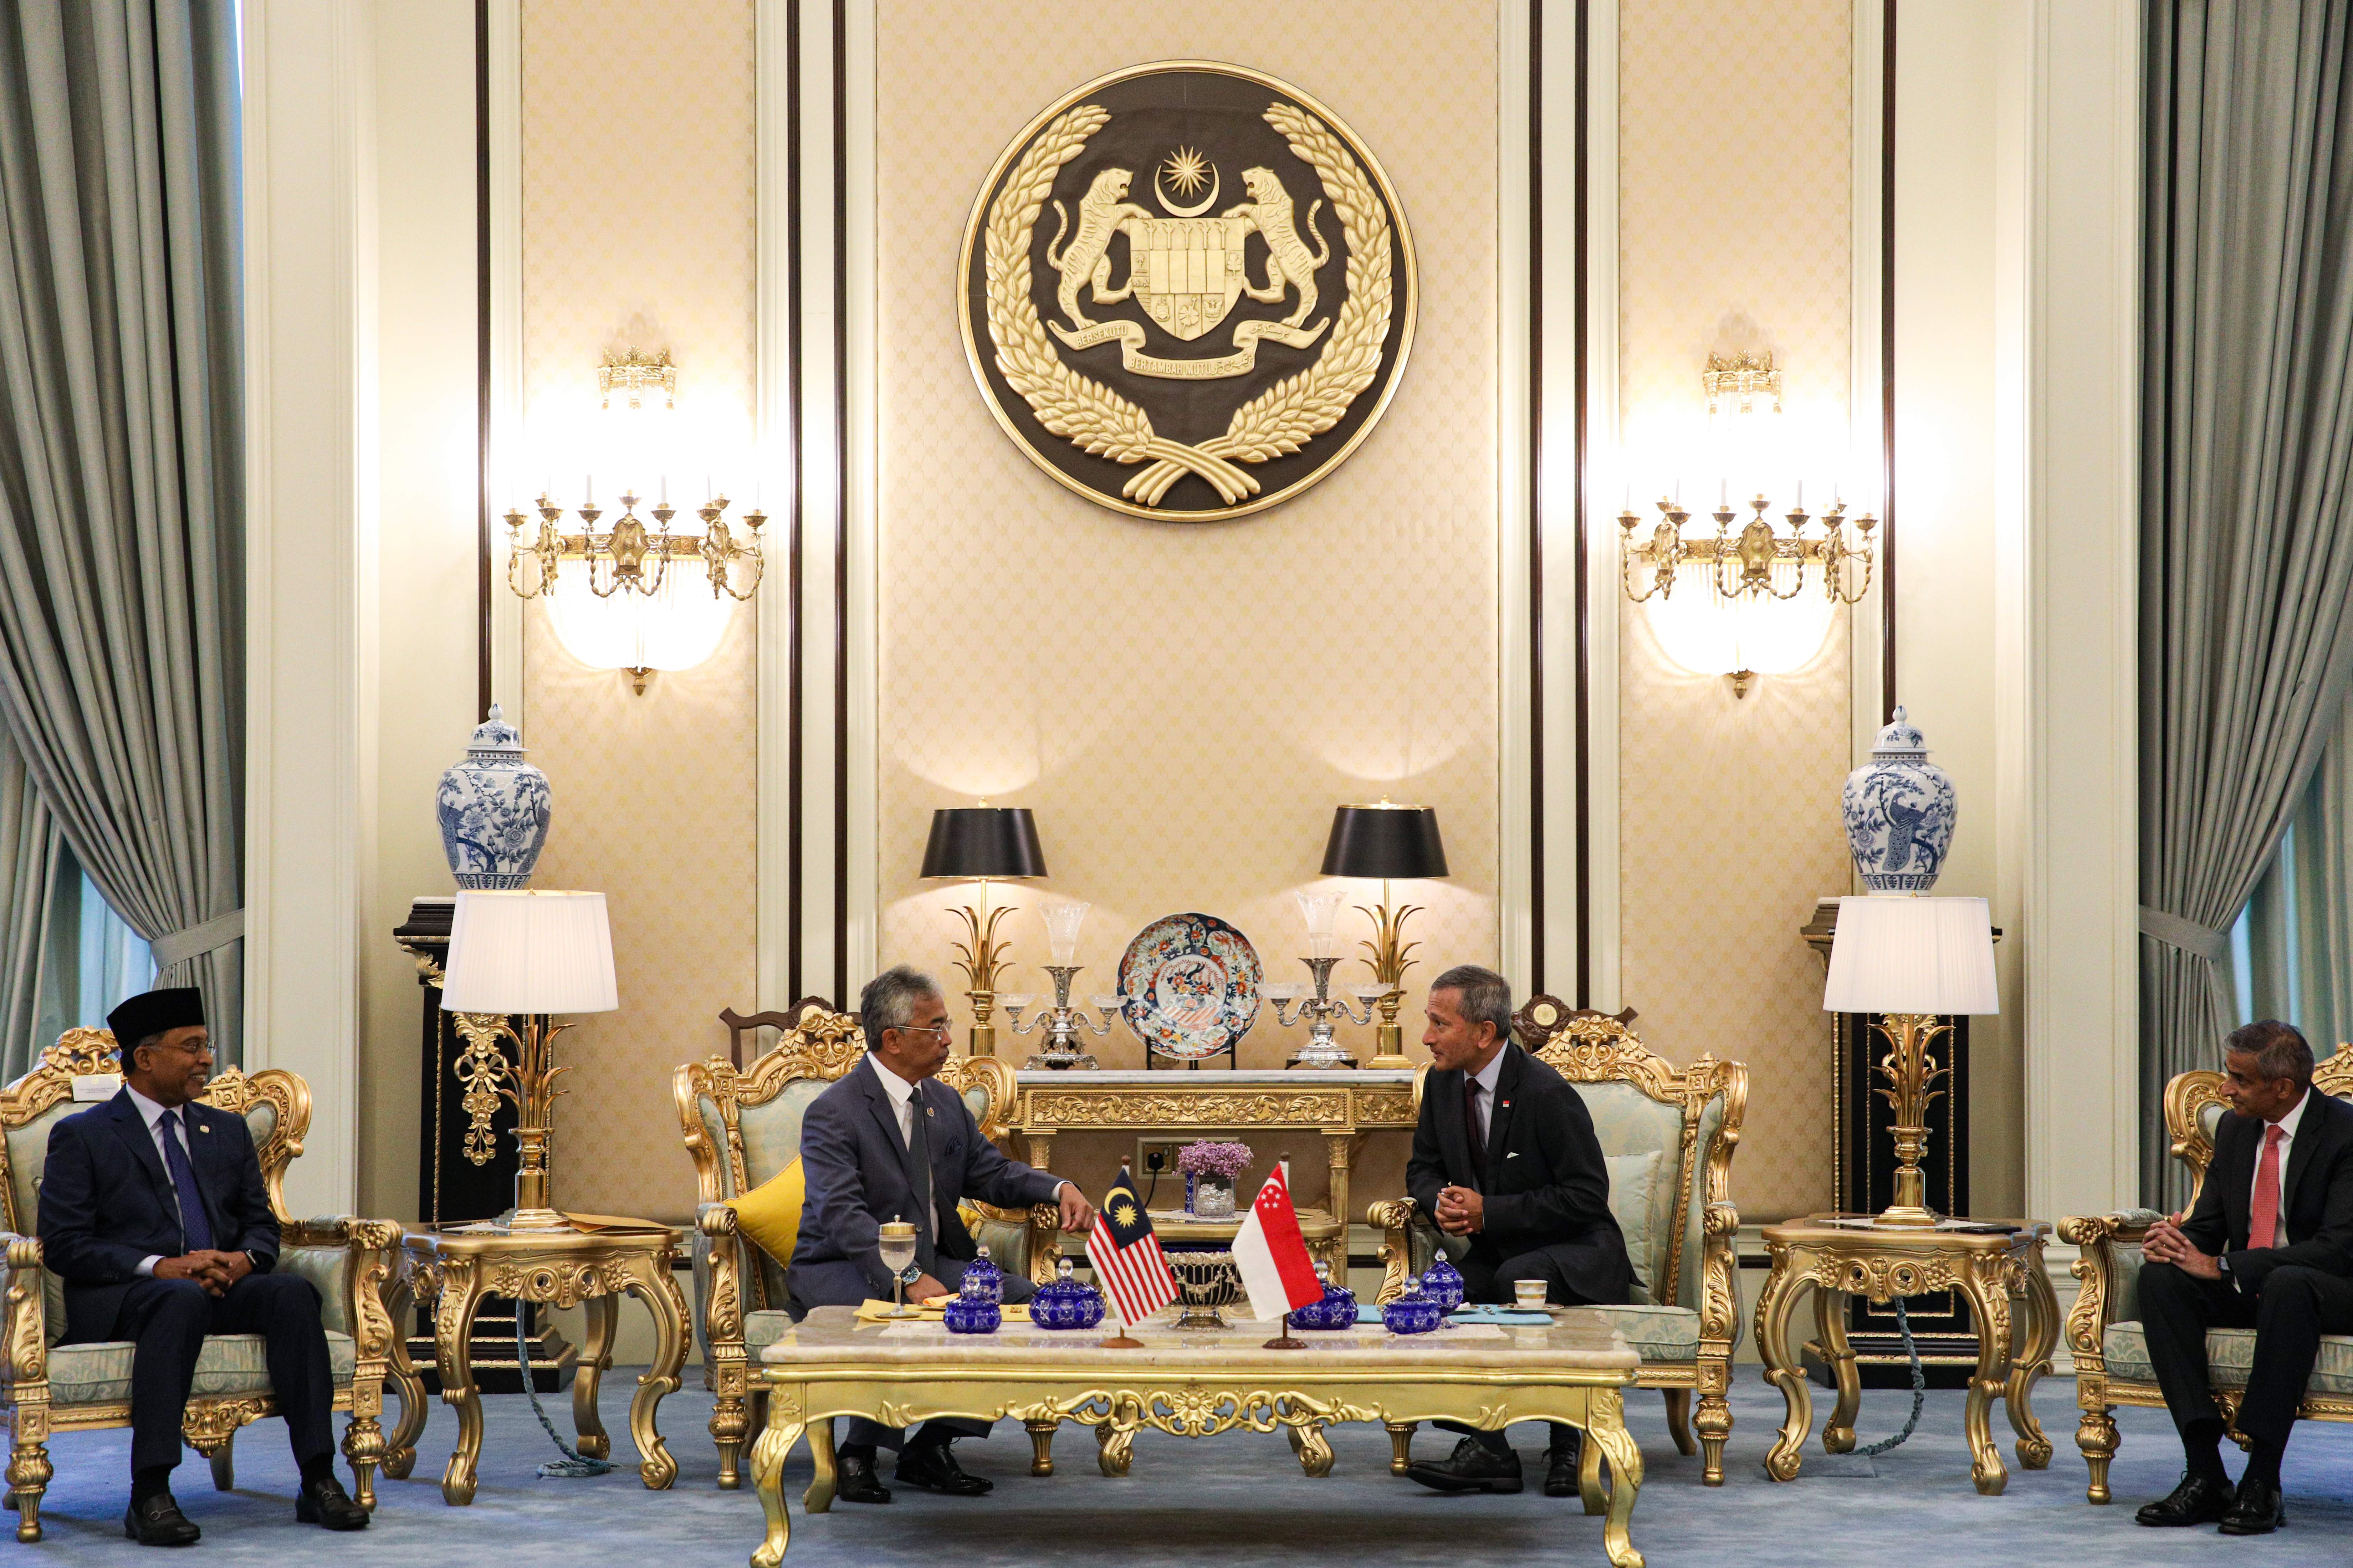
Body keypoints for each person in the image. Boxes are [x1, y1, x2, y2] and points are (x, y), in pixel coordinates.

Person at [39, 987, 368, 1546]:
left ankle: (318, 1479)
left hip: (218, 1285)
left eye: (206, 1045)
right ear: (145, 1058)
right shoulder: (85, 1135)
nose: (206, 1059)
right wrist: (160, 1266)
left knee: (291, 1293)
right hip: (127, 1296)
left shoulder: (226, 1129)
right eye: (191, 1047)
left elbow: (262, 1224)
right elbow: (65, 1244)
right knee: (180, 1297)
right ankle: (151, 1492)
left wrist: (243, 1261)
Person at [789, 965, 1095, 1504]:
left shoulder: (943, 1102)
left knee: (1021, 1300)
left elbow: (994, 1175)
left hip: (931, 1259)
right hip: (839, 1266)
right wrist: (906, 1276)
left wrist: (1058, 1187)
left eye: (947, 1024)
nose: (949, 1039)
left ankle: (931, 1445)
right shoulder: (833, 1113)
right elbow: (843, 1215)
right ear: (894, 1039)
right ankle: (858, 1453)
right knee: (896, 1310)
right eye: (936, 1027)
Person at [1400, 964, 1633, 1499]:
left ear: (1484, 1032)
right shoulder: (1440, 1084)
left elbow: (1586, 1196)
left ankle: (1570, 1440)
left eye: (1440, 1024)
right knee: (1448, 1293)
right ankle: (1490, 1449)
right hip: (1504, 1247)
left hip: (1578, 1252)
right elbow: (1423, 1168)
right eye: (1428, 1022)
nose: (1427, 1036)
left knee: (1520, 1277)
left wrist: (1490, 1213)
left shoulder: (1546, 1093)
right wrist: (1442, 1201)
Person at [2133, 1018, 2353, 1535]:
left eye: (2239, 1079)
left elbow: (2337, 1247)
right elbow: (2210, 1224)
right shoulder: (2234, 1127)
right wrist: (2176, 1243)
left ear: (2283, 1087)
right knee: (2160, 1281)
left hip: (2331, 1287)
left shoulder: (2346, 1133)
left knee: (2290, 1283)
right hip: (2256, 1282)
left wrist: (2226, 1265)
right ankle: (2206, 1471)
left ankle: (2262, 1479)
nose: (2225, 1088)